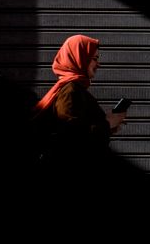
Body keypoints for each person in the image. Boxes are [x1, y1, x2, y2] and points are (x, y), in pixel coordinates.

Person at [32, 34, 127, 163]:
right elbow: (72, 138)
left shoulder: (74, 89)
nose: (98, 64)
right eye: (94, 58)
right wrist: (108, 123)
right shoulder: (70, 91)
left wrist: (107, 127)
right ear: (80, 58)